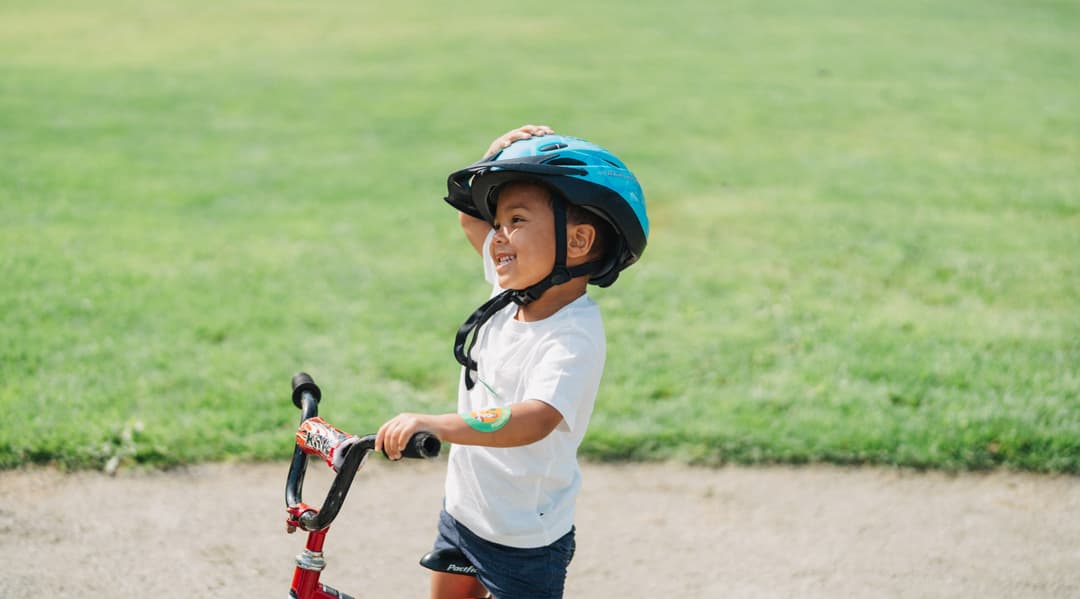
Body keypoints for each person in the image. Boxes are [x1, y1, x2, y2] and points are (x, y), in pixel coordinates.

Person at [374, 124, 649, 598]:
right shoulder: (510, 291)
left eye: (516, 221)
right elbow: (468, 220)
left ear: (579, 242)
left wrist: (439, 425)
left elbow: (535, 419)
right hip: (462, 514)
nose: (498, 237)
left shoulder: (572, 334)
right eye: (498, 223)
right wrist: (497, 155)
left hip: (524, 540)